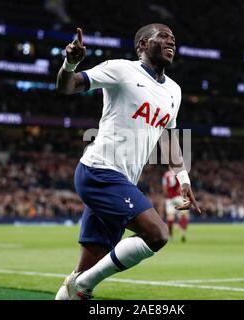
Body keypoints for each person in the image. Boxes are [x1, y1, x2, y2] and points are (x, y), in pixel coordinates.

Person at [55, 23, 201, 300]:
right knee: (157, 234)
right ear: (143, 45)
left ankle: (76, 287)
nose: (171, 42)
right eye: (164, 37)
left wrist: (184, 179)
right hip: (99, 171)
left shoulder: (174, 91)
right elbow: (67, 87)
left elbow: (168, 139)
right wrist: (69, 64)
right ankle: (82, 286)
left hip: (122, 180)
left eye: (174, 39)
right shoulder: (122, 69)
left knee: (89, 266)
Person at [162, 169, 189, 242]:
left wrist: (167, 195)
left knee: (170, 217)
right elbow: (181, 186)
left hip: (169, 198)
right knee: (184, 214)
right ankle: (183, 233)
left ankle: (170, 235)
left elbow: (164, 188)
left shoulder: (166, 175)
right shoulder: (179, 173)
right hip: (178, 197)